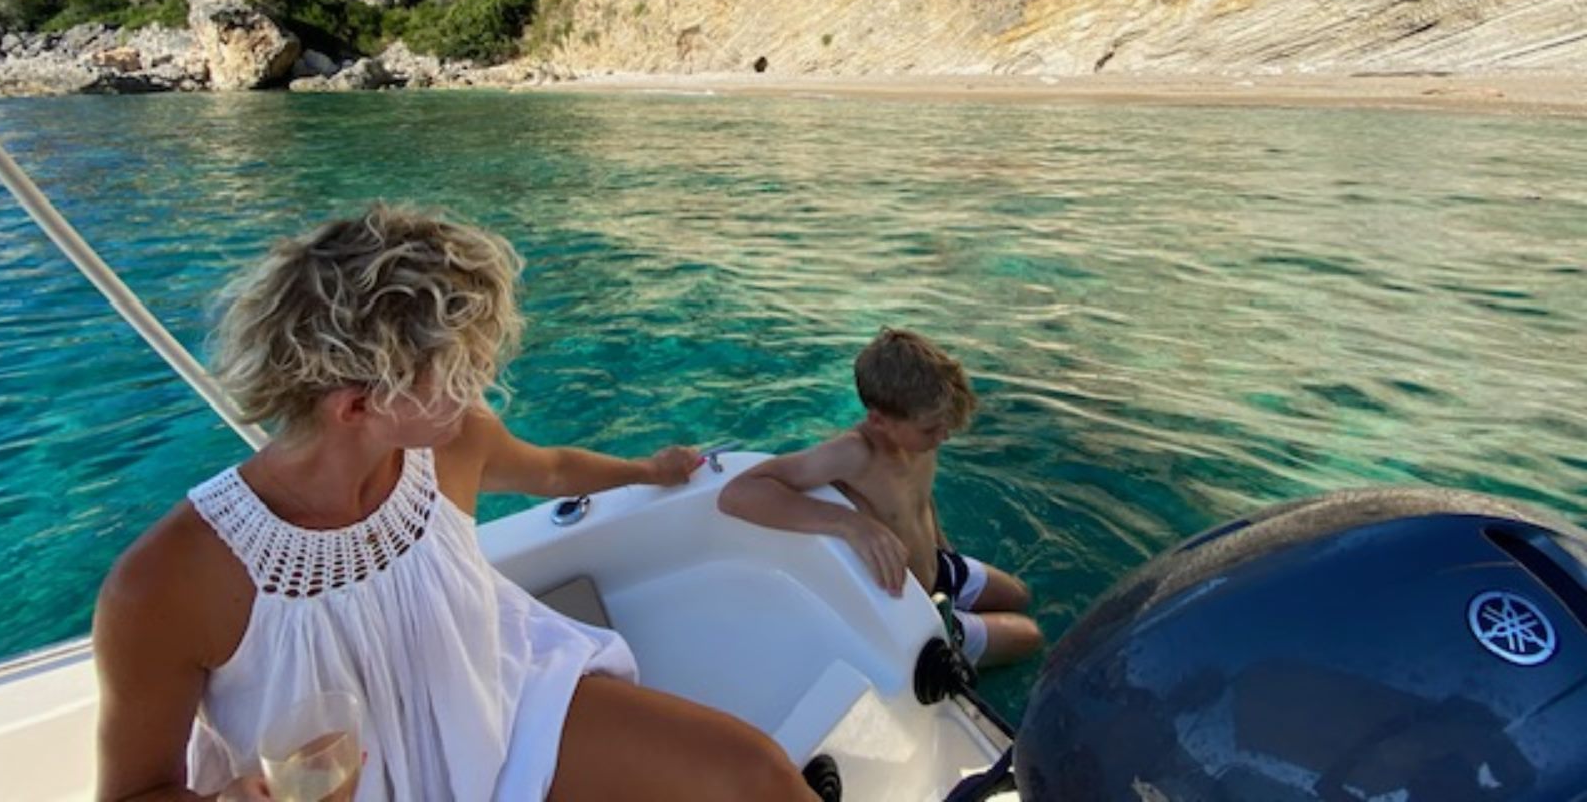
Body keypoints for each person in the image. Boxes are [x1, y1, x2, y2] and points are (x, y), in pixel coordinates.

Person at [93, 205, 817, 802]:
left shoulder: (454, 442)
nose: (481, 385)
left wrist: (645, 470)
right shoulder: (166, 582)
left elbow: (551, 470)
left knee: (756, 776)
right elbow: (134, 792)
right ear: (357, 406)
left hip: (501, 705)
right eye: (460, 372)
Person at [719, 327, 1043, 669]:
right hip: (915, 608)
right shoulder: (855, 453)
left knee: (1019, 595)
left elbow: (919, 499)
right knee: (1031, 636)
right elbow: (738, 493)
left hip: (939, 567)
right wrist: (850, 523)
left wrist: (943, 544)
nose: (944, 436)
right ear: (879, 420)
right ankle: (951, 644)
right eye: (932, 429)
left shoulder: (918, 438)